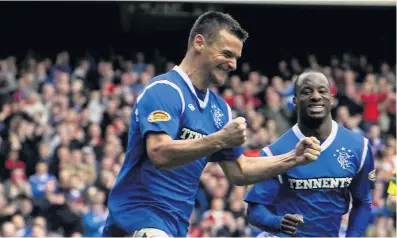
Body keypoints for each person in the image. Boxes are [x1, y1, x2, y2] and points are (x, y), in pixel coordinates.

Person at [102, 12, 321, 237]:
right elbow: (159, 153)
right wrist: (219, 139)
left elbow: (240, 171)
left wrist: (293, 158)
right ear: (199, 43)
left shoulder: (220, 110)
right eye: (227, 54)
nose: (233, 64)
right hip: (136, 219)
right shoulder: (165, 90)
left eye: (236, 57)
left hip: (175, 224)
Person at [245, 71, 375, 237]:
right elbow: (254, 210)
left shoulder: (359, 147)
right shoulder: (273, 152)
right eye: (307, 92)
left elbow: (363, 202)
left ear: (332, 99)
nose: (315, 96)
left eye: (322, 91)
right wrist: (277, 223)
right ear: (295, 101)